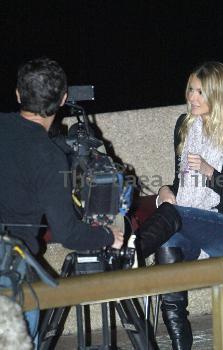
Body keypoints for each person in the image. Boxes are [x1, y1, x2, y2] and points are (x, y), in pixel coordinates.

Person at [0, 57, 182, 347]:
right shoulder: (48, 157)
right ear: (62, 99)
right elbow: (69, 234)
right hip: (9, 271)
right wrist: (109, 235)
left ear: (18, 95)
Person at [156, 61, 223, 349]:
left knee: (171, 221)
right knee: (168, 241)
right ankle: (181, 345)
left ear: (219, 95)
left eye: (201, 92)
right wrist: (164, 190)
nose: (192, 97)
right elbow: (178, 183)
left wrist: (210, 173)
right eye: (191, 90)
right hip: (188, 219)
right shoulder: (185, 125)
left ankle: (135, 247)